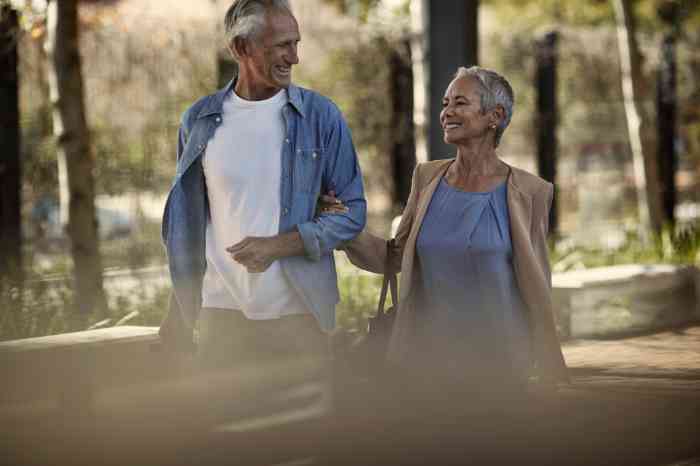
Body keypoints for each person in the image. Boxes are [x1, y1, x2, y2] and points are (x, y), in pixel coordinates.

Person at [158, 0, 366, 383]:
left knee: (305, 435)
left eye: (296, 43)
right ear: (241, 48)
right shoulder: (198, 121)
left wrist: (280, 244)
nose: (295, 57)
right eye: (282, 45)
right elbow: (186, 228)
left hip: (300, 315)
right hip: (221, 316)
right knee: (225, 438)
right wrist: (179, 315)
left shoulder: (321, 117)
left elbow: (353, 213)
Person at [340, 66, 569, 401]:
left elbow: (536, 283)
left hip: (500, 370)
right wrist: (343, 228)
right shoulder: (427, 178)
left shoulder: (530, 192)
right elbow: (393, 257)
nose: (446, 112)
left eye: (460, 103)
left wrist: (545, 365)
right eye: (446, 103)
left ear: (495, 115)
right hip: (427, 366)